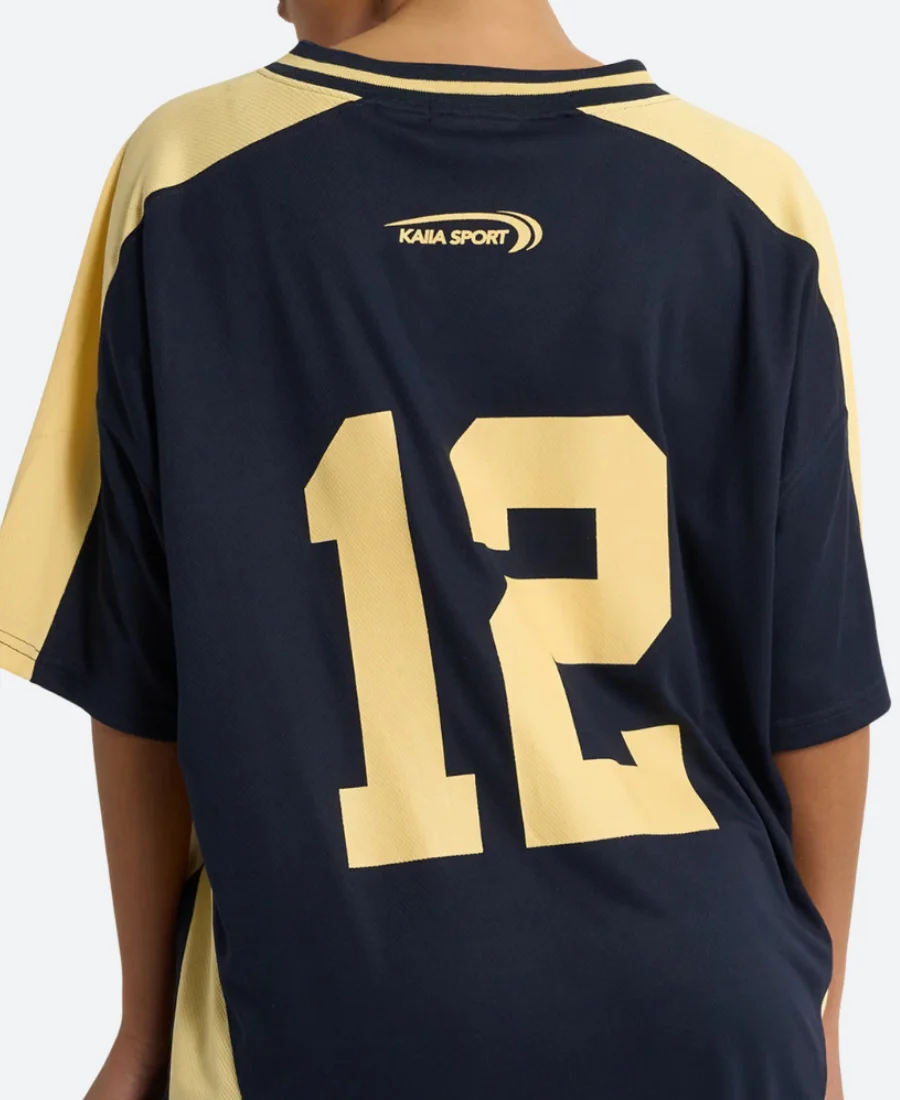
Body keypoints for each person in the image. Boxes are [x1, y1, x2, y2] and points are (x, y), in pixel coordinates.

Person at [0, 1, 889, 1097]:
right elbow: (817, 694)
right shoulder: (753, 198)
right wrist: (819, 1024)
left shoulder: (186, 179)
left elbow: (134, 672)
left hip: (330, 1012)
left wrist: (143, 1026)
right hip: (715, 1007)